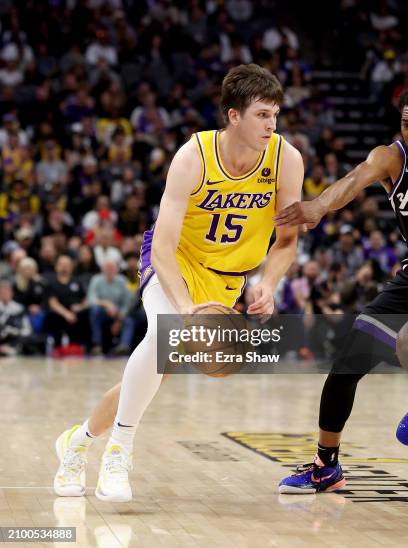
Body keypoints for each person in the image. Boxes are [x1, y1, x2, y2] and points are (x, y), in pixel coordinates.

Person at [53, 63, 304, 501]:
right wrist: (186, 307)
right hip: (174, 262)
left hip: (226, 280)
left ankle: (77, 443)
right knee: (164, 335)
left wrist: (268, 283)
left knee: (154, 369)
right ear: (234, 116)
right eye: (262, 114)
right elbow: (165, 245)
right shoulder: (193, 157)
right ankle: (120, 451)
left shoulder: (286, 160)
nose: (272, 124)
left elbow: (286, 241)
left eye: (275, 114)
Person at [276, 89, 408, 493]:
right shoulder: (392, 156)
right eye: (405, 119)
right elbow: (354, 180)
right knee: (347, 363)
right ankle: (325, 465)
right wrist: (318, 206)